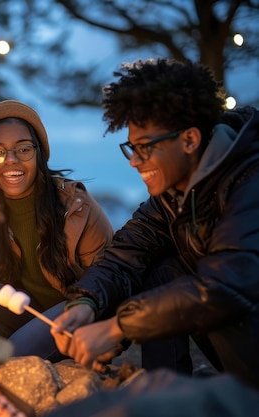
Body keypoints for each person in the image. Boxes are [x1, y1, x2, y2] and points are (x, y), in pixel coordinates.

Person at [51, 58, 259, 388]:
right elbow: (124, 255)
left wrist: (116, 327)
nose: (134, 161)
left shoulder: (249, 181)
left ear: (190, 140)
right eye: (132, 148)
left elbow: (224, 288)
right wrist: (86, 305)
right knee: (159, 266)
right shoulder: (172, 196)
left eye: (145, 148)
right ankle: (164, 393)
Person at [0, 100, 113, 360]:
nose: (10, 161)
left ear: (40, 153)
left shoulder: (75, 205)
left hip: (67, 315)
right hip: (12, 309)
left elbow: (106, 280)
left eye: (23, 149)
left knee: (9, 355)